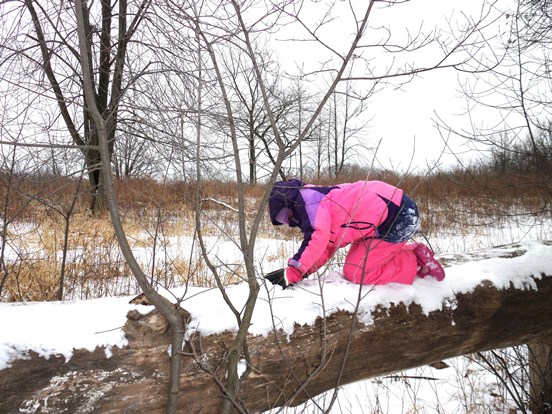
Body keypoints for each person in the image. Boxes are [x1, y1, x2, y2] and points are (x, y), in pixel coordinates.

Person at [266, 178, 445, 288]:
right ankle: (407, 253)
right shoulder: (320, 202)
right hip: (384, 216)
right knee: (354, 267)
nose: (289, 223)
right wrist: (302, 273)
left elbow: (316, 239)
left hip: (398, 216)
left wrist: (295, 269)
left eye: (284, 217)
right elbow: (325, 248)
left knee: (359, 272)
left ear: (289, 204)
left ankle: (416, 261)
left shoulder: (309, 202)